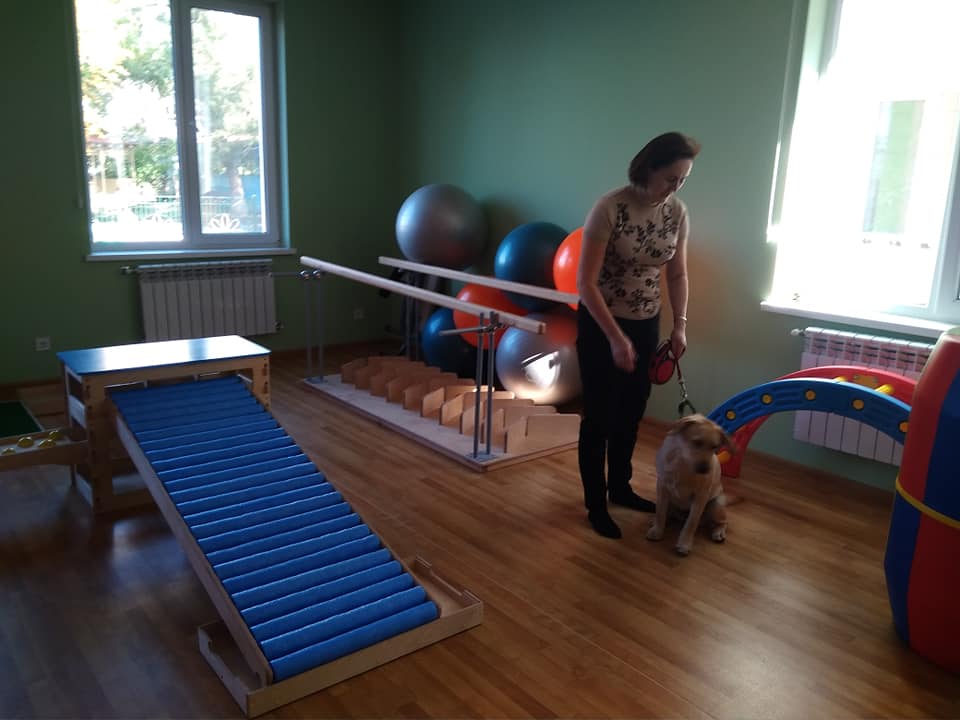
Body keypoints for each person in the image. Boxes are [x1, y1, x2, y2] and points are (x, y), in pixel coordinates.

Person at [575, 131, 700, 539]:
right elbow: (585, 283)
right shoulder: (610, 208)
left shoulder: (677, 212)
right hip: (601, 323)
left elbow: (677, 274)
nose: (675, 188)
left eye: (683, 180)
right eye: (670, 179)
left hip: (647, 321)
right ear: (648, 169)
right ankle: (596, 505)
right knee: (600, 415)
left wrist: (680, 324)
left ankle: (620, 488)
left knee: (631, 411)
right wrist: (615, 337)